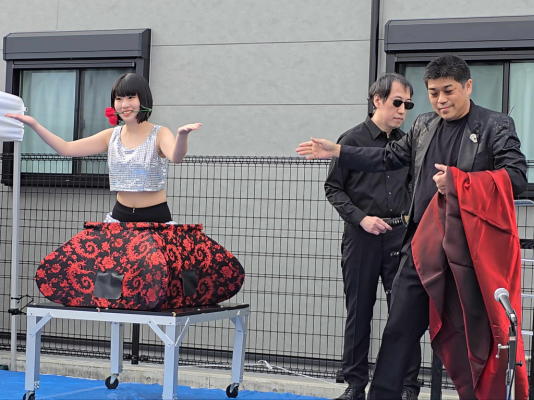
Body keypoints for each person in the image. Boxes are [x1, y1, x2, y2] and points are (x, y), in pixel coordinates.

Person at [296, 55, 528, 399]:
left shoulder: (495, 125)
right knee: (398, 329)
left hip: (469, 252)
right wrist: (340, 151)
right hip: (422, 247)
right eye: (433, 93)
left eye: (448, 91)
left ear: (467, 86)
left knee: (472, 336)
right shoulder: (423, 125)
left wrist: (460, 182)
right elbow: (388, 157)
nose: (440, 100)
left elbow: (517, 177)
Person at [325, 73, 420, 400]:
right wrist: (361, 219)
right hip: (361, 237)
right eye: (397, 102)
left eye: (408, 105)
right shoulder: (351, 139)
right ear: (377, 100)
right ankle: (355, 385)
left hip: (400, 237)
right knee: (359, 310)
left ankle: (408, 386)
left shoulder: (407, 144)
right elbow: (333, 188)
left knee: (404, 312)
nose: (402, 110)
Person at [6, 72, 201, 223]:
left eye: (130, 97)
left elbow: (176, 156)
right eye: (119, 99)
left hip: (155, 217)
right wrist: (35, 124)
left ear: (143, 99)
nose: (124, 104)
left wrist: (182, 136)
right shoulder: (111, 136)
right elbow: (66, 148)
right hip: (120, 215)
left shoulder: (159, 133)